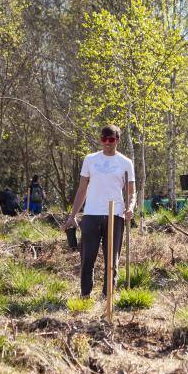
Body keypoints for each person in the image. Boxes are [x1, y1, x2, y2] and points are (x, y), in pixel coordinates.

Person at [63, 125, 135, 298]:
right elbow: (82, 189)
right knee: (87, 257)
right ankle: (85, 294)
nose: (107, 143)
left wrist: (130, 208)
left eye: (111, 139)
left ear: (117, 140)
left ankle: (108, 295)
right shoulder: (90, 159)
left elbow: (132, 192)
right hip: (91, 214)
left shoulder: (125, 163)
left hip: (115, 214)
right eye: (104, 139)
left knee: (112, 259)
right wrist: (73, 216)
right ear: (100, 139)